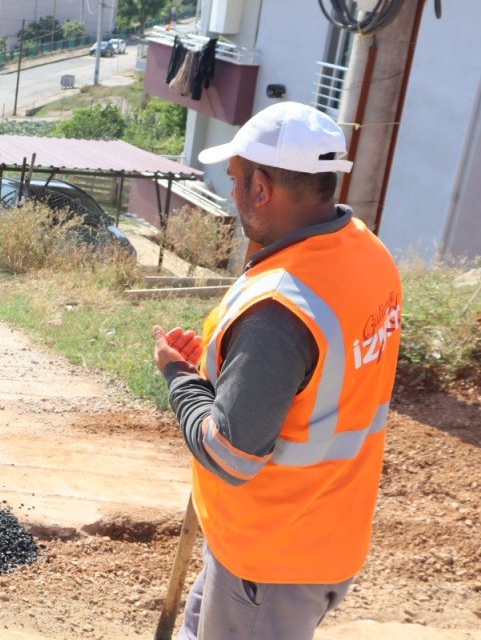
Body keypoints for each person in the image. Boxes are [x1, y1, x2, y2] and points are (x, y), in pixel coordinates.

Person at [151, 101, 402, 640]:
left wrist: (182, 379)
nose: (232, 191)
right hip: (322, 533)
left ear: (261, 188)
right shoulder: (366, 254)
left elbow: (230, 454)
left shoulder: (281, 307)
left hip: (272, 559)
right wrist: (232, 374)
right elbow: (315, 383)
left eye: (237, 179)